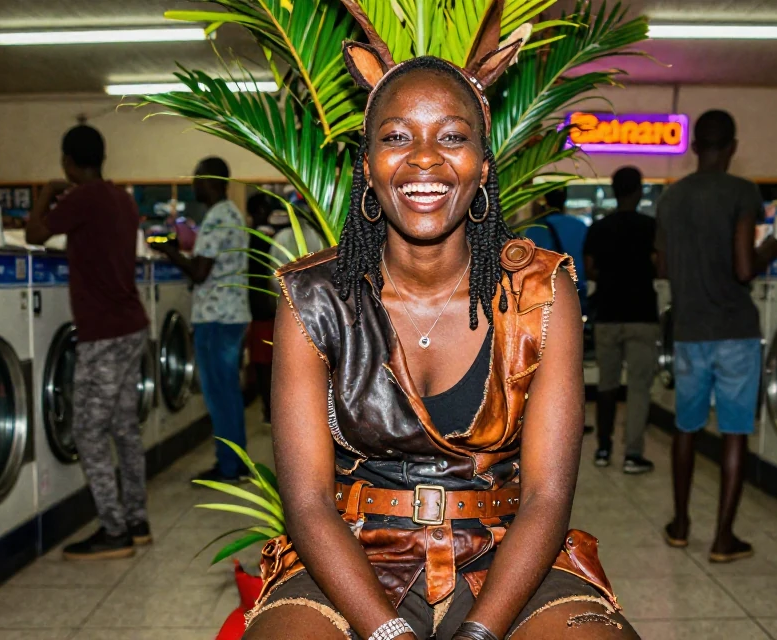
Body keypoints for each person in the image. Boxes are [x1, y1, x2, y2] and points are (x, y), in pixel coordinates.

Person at [243, 18, 637, 640]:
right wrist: (388, 633)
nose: (424, 158)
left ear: (482, 165)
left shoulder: (540, 290)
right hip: (350, 553)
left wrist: (480, 634)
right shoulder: (311, 296)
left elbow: (545, 499)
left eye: (452, 137)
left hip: (507, 554)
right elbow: (310, 505)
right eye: (397, 136)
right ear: (368, 167)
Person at [655, 110, 777, 563]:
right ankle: (723, 538)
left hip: (689, 331)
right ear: (731, 146)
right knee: (733, 432)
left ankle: (681, 524)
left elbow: (663, 266)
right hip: (735, 331)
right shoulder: (742, 192)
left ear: (693, 146)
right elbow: (745, 266)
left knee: (685, 429)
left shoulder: (670, 200)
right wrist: (770, 249)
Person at [25, 125, 152, 559]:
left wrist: (46, 191)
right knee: (123, 429)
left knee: (88, 431)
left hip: (102, 333)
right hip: (133, 325)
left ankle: (113, 531)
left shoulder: (81, 198)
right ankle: (137, 522)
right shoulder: (122, 199)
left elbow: (34, 235)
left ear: (68, 161)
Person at [152, 157, 251, 483]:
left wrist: (168, 250)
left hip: (215, 318)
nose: (194, 186)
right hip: (231, 315)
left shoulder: (218, 217)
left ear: (211, 181)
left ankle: (227, 467)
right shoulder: (231, 214)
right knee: (229, 395)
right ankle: (236, 464)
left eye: (197, 179)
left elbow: (200, 270)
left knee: (218, 395)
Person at [583, 166, 657, 473]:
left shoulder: (599, 228)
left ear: (613, 191)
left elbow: (589, 269)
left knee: (607, 385)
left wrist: (611, 276)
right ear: (639, 191)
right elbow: (662, 265)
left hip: (608, 313)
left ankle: (603, 448)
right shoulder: (652, 226)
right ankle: (633, 455)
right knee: (639, 387)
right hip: (642, 314)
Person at [247, 192, 282, 425]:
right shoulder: (271, 236)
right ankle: (272, 410)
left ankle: (270, 410)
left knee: (264, 364)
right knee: (269, 363)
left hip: (262, 309)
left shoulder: (256, 237)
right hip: (268, 308)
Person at [524, 187, 588, 308]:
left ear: (546, 200)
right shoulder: (580, 225)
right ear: (565, 199)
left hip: (544, 290)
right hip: (576, 286)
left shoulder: (535, 228)